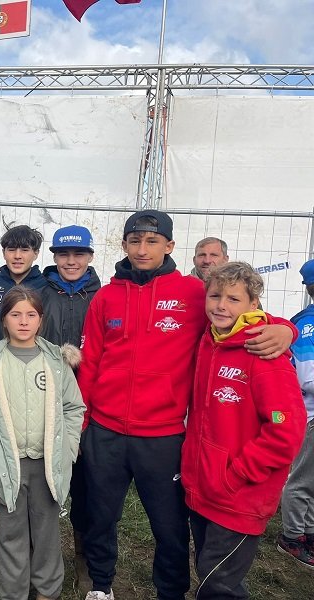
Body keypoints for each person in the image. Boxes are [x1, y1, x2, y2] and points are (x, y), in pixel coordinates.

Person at [77, 210, 295, 600]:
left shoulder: (194, 293)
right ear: (124, 245)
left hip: (163, 437)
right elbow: (91, 360)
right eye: (134, 241)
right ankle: (101, 584)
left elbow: (241, 313)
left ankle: (170, 592)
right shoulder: (105, 297)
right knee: (100, 517)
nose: (142, 249)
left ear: (170, 246)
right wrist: (82, 422)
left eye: (152, 241)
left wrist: (286, 328)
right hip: (105, 431)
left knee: (169, 527)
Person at [182, 262, 305, 599]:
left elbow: (285, 431)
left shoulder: (264, 353)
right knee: (209, 572)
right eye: (215, 296)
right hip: (205, 489)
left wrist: (235, 475)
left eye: (233, 299)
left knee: (219, 584)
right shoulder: (209, 341)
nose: (221, 305)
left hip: (238, 495)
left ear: (254, 304)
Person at [0, 286, 85, 600]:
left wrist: (67, 449)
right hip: (7, 464)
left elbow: (74, 407)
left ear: (40, 319)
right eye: (15, 314)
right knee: (11, 532)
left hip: (47, 464)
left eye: (31, 315)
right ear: (3, 320)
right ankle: (14, 592)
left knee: (47, 530)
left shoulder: (55, 360)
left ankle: (47, 589)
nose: (23, 321)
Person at [0, 223, 47, 540]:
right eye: (11, 249)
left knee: (30, 444)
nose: (18, 255)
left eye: (25, 249)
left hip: (33, 372)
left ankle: (32, 512)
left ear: (35, 253)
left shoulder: (45, 284)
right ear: (3, 252)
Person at [39, 224, 100, 593]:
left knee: (86, 485)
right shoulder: (39, 292)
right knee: (43, 481)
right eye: (64, 254)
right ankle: (40, 561)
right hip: (45, 399)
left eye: (79, 254)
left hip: (91, 404)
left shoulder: (103, 295)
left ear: (90, 256)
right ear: (55, 257)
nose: (71, 261)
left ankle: (84, 559)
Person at [278, 258, 314, 568]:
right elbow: (307, 378)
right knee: (301, 479)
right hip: (310, 415)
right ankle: (291, 536)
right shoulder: (307, 324)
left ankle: (309, 531)